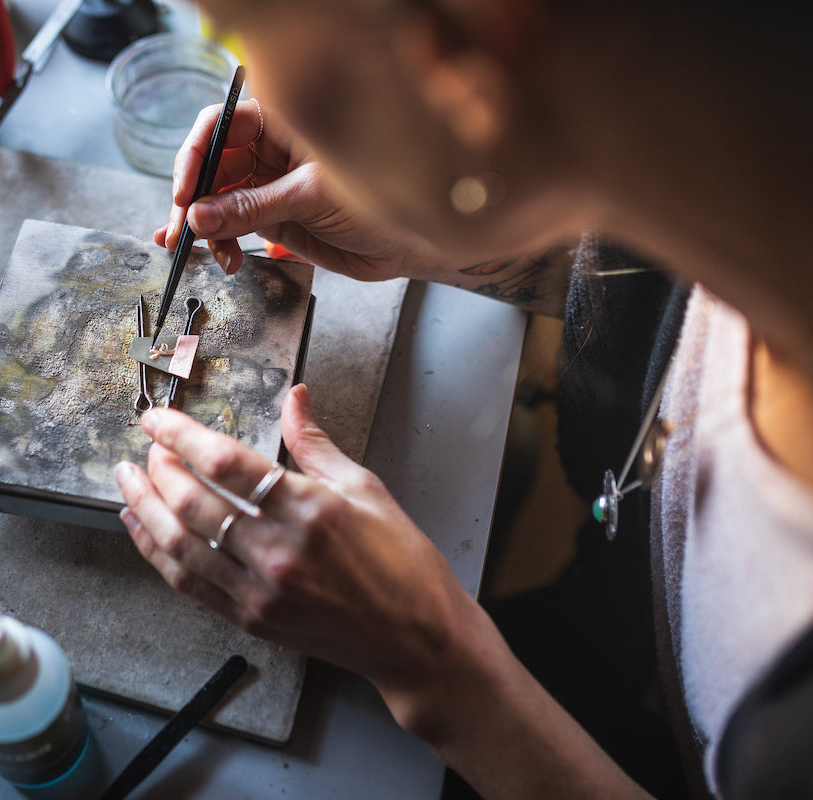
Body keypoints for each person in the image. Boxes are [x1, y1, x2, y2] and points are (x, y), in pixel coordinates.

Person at [112, 1, 813, 797]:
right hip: (610, 626)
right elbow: (678, 300)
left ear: (455, 52)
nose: (236, 72)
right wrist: (439, 221)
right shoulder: (751, 160)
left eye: (236, 33)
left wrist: (435, 667)